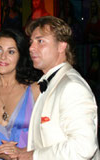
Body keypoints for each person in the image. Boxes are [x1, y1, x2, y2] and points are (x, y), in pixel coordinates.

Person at [15, 16, 100, 160]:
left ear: (62, 46)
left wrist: (34, 156)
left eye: (40, 41)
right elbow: (54, 140)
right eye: (31, 42)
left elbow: (83, 148)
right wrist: (24, 152)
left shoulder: (72, 87)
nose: (31, 48)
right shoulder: (52, 83)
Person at [0, 28, 41, 159]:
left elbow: (49, 137)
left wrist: (21, 152)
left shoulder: (35, 90)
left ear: (20, 56)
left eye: (11, 51)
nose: (3, 56)